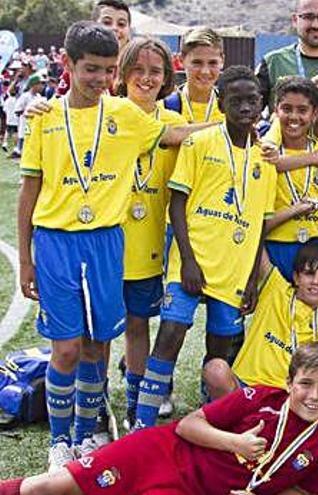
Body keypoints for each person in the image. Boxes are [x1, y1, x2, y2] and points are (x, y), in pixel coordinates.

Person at [17, 21, 196, 470]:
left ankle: (86, 436)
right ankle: (59, 441)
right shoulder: (44, 118)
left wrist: (236, 122)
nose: (100, 79)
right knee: (67, 349)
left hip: (106, 244)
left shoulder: (124, 115)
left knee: (97, 345)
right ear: (68, 64)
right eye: (91, 69)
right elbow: (28, 192)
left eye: (107, 70)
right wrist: (26, 260)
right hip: (56, 244)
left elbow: (177, 134)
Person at [0, 342, 318, 495]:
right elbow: (188, 425)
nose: (314, 396)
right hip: (162, 452)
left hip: (193, 490)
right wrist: (235, 442)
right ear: (289, 383)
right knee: (48, 487)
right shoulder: (259, 397)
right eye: (305, 384)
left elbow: (301, 490)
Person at [134, 66, 278, 430]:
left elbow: (260, 222)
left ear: (262, 104)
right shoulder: (200, 142)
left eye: (252, 100)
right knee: (170, 335)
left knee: (220, 350)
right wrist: (187, 262)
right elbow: (177, 204)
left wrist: (250, 279)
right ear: (221, 103)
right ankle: (142, 425)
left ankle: (209, 421)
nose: (245, 107)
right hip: (192, 262)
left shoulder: (266, 159)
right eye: (236, 100)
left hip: (234, 270)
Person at [111, 38, 194, 432]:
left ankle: (136, 402)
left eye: (155, 72)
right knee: (100, 330)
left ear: (166, 78)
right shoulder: (109, 113)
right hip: (107, 242)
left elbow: (186, 136)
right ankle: (90, 405)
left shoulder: (175, 121)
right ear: (122, 72)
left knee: (138, 322)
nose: (146, 78)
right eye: (138, 70)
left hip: (151, 245)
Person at [203, 227, 318, 399]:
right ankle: (232, 421)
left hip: (287, 400)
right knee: (215, 369)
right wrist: (294, 211)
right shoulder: (274, 288)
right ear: (297, 277)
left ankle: (241, 427)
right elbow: (256, 232)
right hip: (245, 389)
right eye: (309, 273)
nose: (315, 281)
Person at [262, 77, 318, 282]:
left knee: (311, 309)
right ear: (276, 110)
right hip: (276, 242)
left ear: (314, 114)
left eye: (302, 110)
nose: (294, 117)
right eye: (286, 109)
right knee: (276, 308)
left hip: (316, 242)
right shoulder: (264, 150)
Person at [257, 0, 318, 110]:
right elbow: (251, 111)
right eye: (308, 17)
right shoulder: (273, 62)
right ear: (295, 20)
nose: (315, 25)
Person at [56, 0, 132, 98]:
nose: (114, 28)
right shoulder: (78, 66)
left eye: (121, 24)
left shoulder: (136, 67)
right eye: (107, 22)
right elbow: (58, 102)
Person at [164, 28, 226, 125]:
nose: (205, 71)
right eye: (197, 63)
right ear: (181, 60)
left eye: (212, 63)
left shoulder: (232, 110)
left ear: (222, 61)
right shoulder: (164, 107)